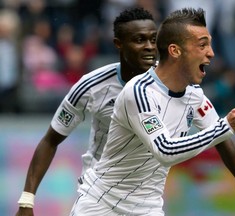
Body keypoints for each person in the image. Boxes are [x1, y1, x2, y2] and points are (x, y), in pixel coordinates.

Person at [70, 8, 235, 216]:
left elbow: (223, 141)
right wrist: (224, 126)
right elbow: (165, 151)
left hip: (148, 209)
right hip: (101, 206)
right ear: (175, 51)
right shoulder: (139, 92)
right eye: (202, 45)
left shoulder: (194, 95)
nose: (211, 53)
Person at [16, 7, 158, 216]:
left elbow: (216, 132)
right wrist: (27, 200)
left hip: (145, 201)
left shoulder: (170, 85)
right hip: (97, 197)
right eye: (139, 40)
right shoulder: (92, 86)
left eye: (153, 40)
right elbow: (50, 140)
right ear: (118, 44)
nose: (149, 47)